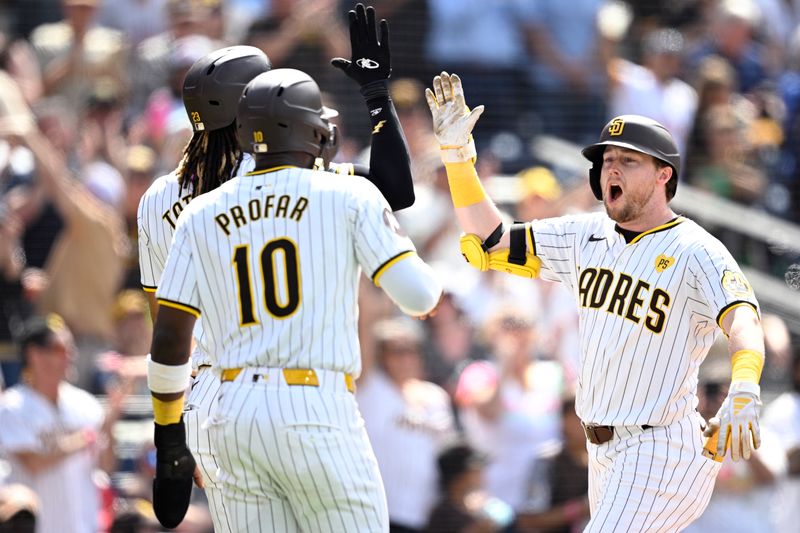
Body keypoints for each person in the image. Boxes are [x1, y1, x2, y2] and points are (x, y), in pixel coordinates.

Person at [424, 72, 767, 531]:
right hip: (603, 452)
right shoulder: (584, 233)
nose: (612, 169)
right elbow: (491, 240)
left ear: (665, 174)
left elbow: (742, 318)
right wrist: (458, 158)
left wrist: (745, 386)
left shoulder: (695, 249)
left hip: (660, 446)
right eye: (607, 160)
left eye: (629, 160)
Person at [138, 3, 419, 528]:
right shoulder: (290, 170)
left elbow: (168, 327)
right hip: (299, 393)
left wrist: (171, 436)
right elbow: (396, 189)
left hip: (208, 404)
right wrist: (377, 97)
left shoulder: (158, 197)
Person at [0, 314, 124, 533]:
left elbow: (106, 466)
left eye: (71, 348)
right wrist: (84, 438)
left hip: (84, 526)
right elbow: (33, 463)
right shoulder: (12, 406)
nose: (70, 356)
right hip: (38, 527)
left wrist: (109, 424)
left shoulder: (85, 403)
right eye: (60, 349)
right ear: (34, 354)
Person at [357, 317, 456, 532]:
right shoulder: (371, 389)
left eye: (411, 349)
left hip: (428, 514)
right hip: (384, 513)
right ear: (381, 356)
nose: (406, 357)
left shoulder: (435, 396)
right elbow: (365, 331)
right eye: (396, 351)